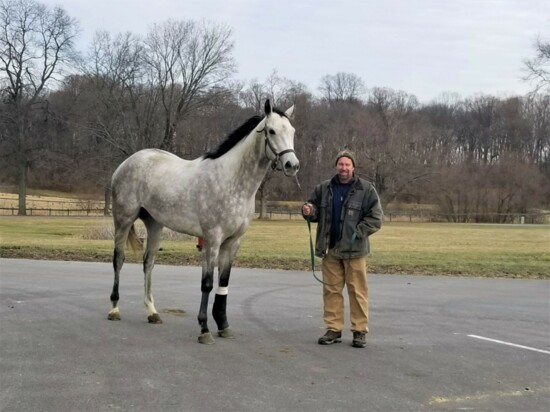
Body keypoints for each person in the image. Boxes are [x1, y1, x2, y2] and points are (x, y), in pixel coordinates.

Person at [302, 149, 383, 348]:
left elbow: (376, 218)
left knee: (358, 292)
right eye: (341, 164)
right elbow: (312, 212)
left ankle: (359, 331)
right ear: (336, 166)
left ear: (353, 167)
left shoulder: (366, 189)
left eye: (347, 164)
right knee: (331, 291)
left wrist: (358, 232)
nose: (344, 168)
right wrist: (308, 211)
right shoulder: (324, 188)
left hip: (355, 252)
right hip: (330, 250)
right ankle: (333, 329)